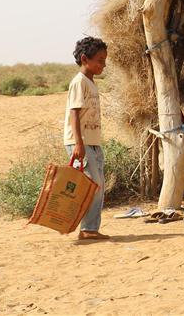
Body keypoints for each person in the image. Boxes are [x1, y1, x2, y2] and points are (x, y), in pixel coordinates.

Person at [64, 36, 109, 241]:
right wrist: (79, 143)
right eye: (99, 60)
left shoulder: (90, 82)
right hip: (80, 142)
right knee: (94, 184)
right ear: (85, 59)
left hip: (92, 142)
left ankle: (90, 228)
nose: (103, 65)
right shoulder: (79, 82)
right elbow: (74, 113)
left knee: (98, 185)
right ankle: (88, 228)